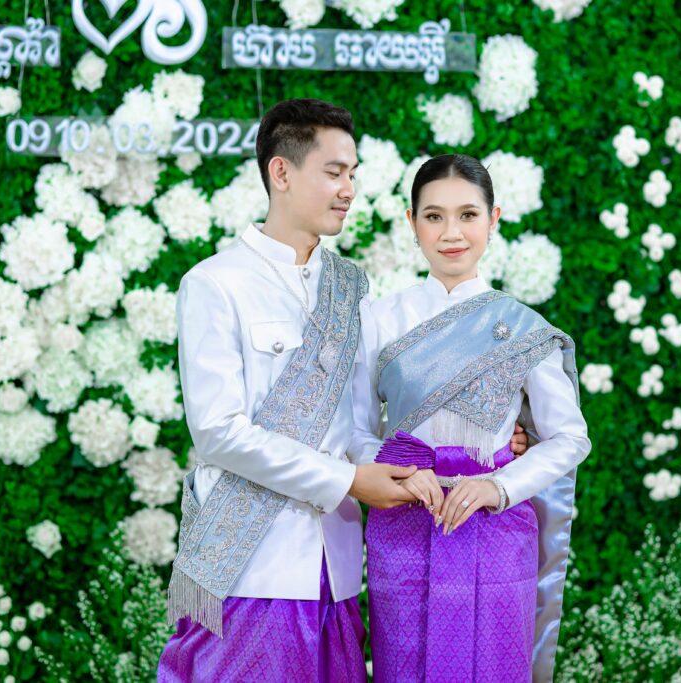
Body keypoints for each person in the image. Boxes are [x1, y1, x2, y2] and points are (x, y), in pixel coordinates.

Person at [156, 98, 420, 683]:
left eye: (353, 174)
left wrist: (486, 444)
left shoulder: (350, 286)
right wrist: (348, 481)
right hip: (253, 566)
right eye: (333, 172)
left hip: (337, 569)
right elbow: (220, 433)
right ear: (281, 172)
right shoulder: (215, 284)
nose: (348, 189)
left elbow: (357, 428)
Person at [361, 154, 593, 683]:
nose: (452, 233)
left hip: (494, 527)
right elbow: (353, 429)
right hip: (404, 519)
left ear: (494, 219)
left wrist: (498, 487)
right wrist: (392, 471)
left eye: (468, 215)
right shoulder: (379, 321)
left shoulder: (524, 328)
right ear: (411, 222)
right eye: (434, 216)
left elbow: (569, 438)